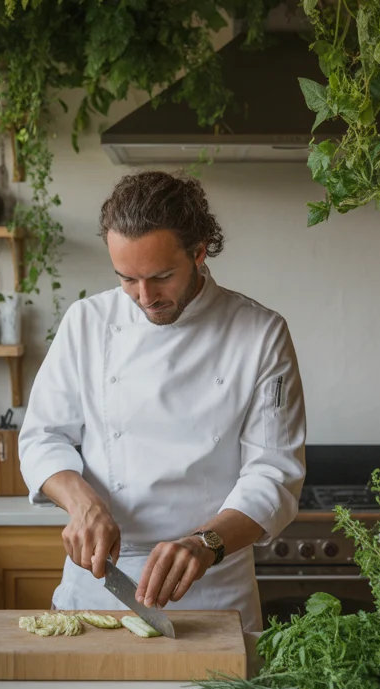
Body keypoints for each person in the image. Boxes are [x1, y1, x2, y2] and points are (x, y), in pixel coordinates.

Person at [18, 170, 306, 631]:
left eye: (161, 277)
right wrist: (82, 504)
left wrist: (205, 543)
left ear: (199, 252)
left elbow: (273, 475)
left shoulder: (259, 333)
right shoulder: (87, 322)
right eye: (127, 279)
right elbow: (41, 437)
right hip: (97, 583)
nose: (144, 298)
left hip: (212, 587)